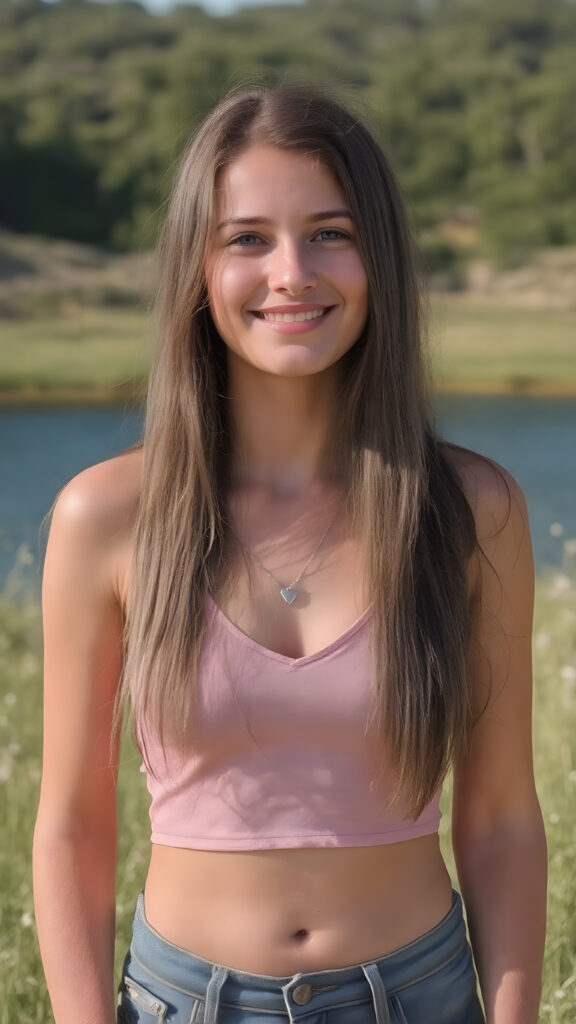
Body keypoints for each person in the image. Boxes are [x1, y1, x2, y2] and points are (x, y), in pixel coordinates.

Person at [33, 85, 547, 1024]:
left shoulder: (472, 511)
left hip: (420, 997)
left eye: (330, 233)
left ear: (379, 257)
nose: (291, 273)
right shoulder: (104, 518)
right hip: (182, 1003)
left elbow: (503, 817)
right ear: (199, 265)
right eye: (248, 239)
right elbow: (72, 826)